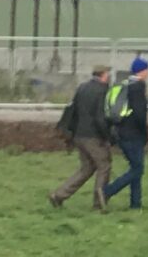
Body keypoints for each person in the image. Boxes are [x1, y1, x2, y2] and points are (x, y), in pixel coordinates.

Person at [49, 65, 112, 212]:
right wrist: (107, 136)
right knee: (104, 165)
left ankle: (58, 195)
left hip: (79, 135)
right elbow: (100, 117)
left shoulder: (82, 88)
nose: (109, 76)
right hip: (93, 136)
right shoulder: (102, 90)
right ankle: (100, 203)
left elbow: (73, 111)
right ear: (103, 75)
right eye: (108, 73)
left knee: (87, 168)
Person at [103, 57, 148, 210]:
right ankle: (108, 191)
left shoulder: (125, 84)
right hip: (133, 134)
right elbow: (140, 114)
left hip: (121, 131)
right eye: (147, 69)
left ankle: (136, 203)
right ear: (141, 71)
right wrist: (145, 133)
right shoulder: (137, 87)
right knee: (138, 169)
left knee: (135, 167)